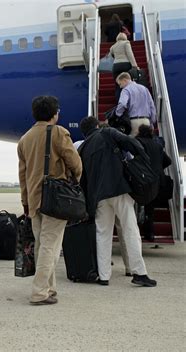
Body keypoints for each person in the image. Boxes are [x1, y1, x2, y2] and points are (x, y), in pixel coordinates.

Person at [17, 96, 82, 305]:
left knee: (42, 246)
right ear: (55, 114)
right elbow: (75, 162)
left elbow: (22, 174)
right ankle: (39, 292)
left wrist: (25, 201)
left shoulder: (25, 138)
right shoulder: (59, 132)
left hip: (34, 200)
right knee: (50, 247)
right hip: (56, 198)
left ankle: (49, 289)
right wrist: (76, 179)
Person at [78, 116, 157, 287]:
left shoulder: (83, 148)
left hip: (98, 197)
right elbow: (132, 144)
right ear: (97, 125)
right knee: (130, 230)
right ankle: (139, 273)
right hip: (119, 189)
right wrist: (141, 160)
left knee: (103, 234)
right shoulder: (107, 132)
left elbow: (82, 180)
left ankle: (104, 275)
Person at [136, 125, 172, 241]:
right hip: (157, 181)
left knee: (142, 206)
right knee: (149, 208)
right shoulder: (157, 145)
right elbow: (168, 161)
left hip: (143, 180)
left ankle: (141, 233)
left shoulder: (138, 142)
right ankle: (150, 234)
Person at [116, 72, 157, 136]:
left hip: (134, 122)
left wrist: (118, 114)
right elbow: (151, 106)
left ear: (125, 80)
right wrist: (152, 121)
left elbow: (122, 104)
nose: (120, 87)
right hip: (146, 121)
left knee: (134, 144)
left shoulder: (126, 90)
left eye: (120, 84)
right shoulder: (144, 88)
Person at [110, 33, 138, 101]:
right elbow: (130, 54)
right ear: (125, 37)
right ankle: (129, 101)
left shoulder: (113, 46)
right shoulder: (126, 43)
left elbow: (112, 55)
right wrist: (135, 65)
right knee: (128, 84)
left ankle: (119, 102)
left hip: (116, 66)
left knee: (118, 85)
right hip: (126, 65)